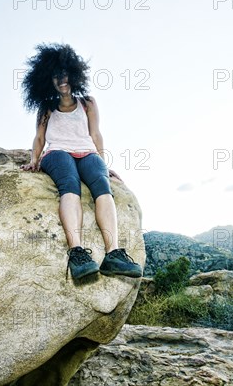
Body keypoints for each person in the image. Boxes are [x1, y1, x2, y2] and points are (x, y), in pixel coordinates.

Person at [20, 42, 142, 281]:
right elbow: (39, 137)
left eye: (64, 74)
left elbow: (95, 134)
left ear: (73, 74)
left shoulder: (88, 103)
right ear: (49, 80)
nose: (61, 80)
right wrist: (34, 160)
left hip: (87, 152)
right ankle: (77, 253)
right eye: (55, 76)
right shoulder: (46, 107)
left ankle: (113, 254)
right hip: (58, 152)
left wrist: (104, 165)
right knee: (70, 184)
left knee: (102, 186)